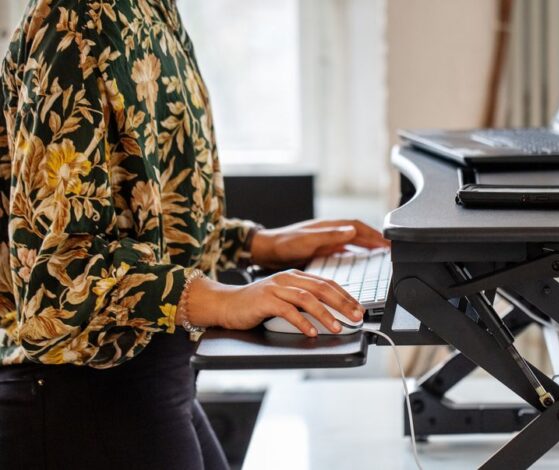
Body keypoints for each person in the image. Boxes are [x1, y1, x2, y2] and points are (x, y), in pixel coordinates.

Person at [0, 1, 388, 468]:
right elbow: (58, 282)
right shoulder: (74, 20)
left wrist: (258, 245)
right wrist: (223, 299)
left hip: (151, 372)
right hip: (82, 392)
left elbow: (150, 219)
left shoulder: (152, 10)